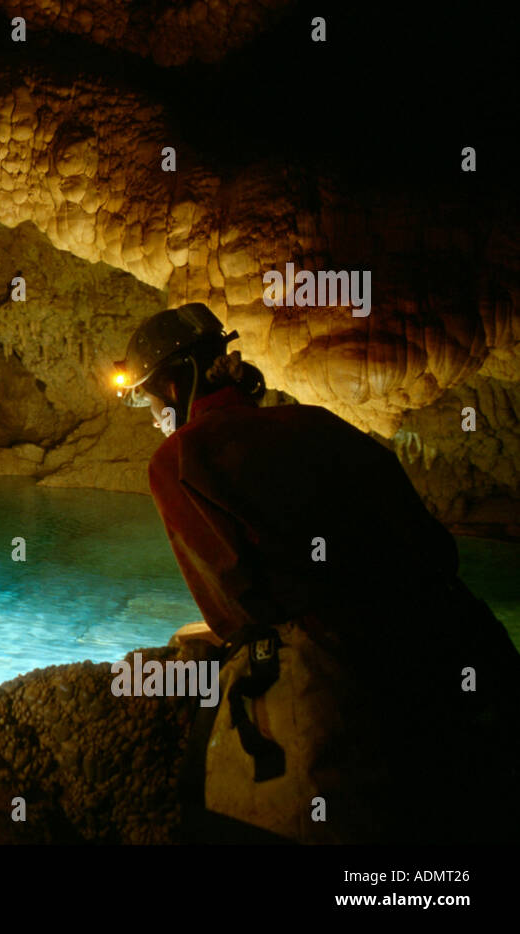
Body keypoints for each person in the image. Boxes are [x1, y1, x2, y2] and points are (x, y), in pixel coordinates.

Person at [113, 302, 520, 842]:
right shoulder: (317, 422)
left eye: (148, 398)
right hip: (467, 649)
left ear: (174, 385)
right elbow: (434, 547)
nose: (153, 414)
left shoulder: (180, 456)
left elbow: (238, 609)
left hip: (357, 686)